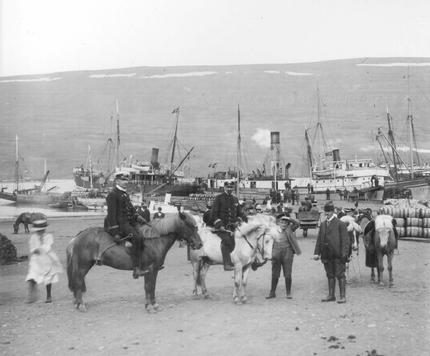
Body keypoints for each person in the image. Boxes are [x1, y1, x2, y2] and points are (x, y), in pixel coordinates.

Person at [105, 173, 149, 278]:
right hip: (120, 224)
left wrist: (138, 217)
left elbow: (130, 209)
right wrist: (115, 232)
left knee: (145, 234)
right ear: (117, 181)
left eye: (126, 180)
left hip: (129, 222)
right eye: (123, 180)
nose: (126, 182)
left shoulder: (124, 194)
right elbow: (111, 214)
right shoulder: (113, 194)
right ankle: (136, 269)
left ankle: (144, 262)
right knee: (137, 238)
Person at [313, 201, 350, 303]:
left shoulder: (340, 224)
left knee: (340, 275)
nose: (327, 214)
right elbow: (319, 239)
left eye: (329, 211)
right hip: (326, 255)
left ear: (333, 211)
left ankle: (342, 296)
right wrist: (317, 252)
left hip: (338, 255)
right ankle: (331, 295)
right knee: (330, 275)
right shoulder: (323, 224)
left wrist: (344, 254)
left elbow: (345, 241)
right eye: (326, 212)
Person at [211, 181, 247, 271]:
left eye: (231, 188)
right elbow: (214, 214)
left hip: (234, 227)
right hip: (223, 228)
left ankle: (252, 261)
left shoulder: (235, 199)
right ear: (224, 188)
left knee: (246, 239)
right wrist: (220, 225)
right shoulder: (219, 198)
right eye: (228, 187)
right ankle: (227, 264)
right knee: (226, 241)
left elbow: (240, 213)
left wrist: (238, 221)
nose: (230, 189)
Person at [25, 219, 63, 303]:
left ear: (44, 229)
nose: (40, 232)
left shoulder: (48, 236)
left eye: (41, 230)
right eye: (38, 231)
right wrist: (35, 250)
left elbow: (48, 246)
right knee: (32, 276)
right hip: (36, 260)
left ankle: (48, 296)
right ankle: (32, 296)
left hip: (47, 258)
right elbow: (32, 248)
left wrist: (41, 247)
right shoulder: (33, 237)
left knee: (48, 277)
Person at [266, 214, 301, 299]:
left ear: (288, 223)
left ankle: (288, 293)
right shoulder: (273, 230)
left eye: (286, 222)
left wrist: (289, 218)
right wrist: (270, 254)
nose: (284, 224)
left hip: (287, 253)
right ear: (278, 222)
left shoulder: (290, 229)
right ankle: (272, 292)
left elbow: (297, 224)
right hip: (276, 253)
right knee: (275, 273)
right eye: (282, 222)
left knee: (288, 273)